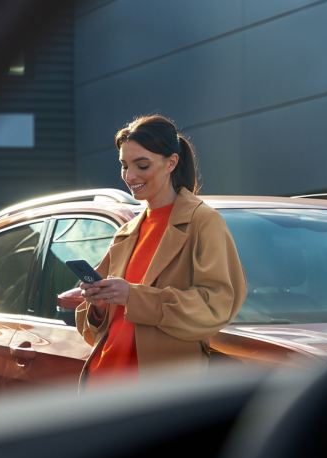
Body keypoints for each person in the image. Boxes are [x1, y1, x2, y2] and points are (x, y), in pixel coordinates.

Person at [75, 114, 247, 387]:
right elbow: (96, 329)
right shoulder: (127, 231)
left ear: (171, 163)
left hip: (161, 390)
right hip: (104, 382)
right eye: (124, 165)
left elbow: (216, 305)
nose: (130, 176)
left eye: (142, 165)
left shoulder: (203, 221)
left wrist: (133, 296)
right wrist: (98, 305)